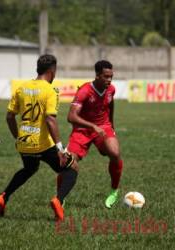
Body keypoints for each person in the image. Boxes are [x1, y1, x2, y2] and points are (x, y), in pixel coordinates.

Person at [0, 54, 78, 221]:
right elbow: (50, 119)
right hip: (43, 144)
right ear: (52, 71)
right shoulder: (50, 90)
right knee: (72, 168)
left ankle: (3, 196)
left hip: (24, 142)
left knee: (29, 169)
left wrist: (18, 137)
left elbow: (10, 117)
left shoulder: (21, 88)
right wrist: (60, 148)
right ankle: (58, 200)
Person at [59, 60, 123, 209]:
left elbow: (110, 103)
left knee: (115, 153)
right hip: (83, 130)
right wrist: (92, 126)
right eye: (106, 76)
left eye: (111, 76)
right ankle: (59, 198)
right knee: (67, 162)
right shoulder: (84, 91)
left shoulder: (111, 89)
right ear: (97, 75)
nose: (109, 80)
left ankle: (114, 191)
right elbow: (71, 117)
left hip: (103, 127)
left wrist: (111, 125)